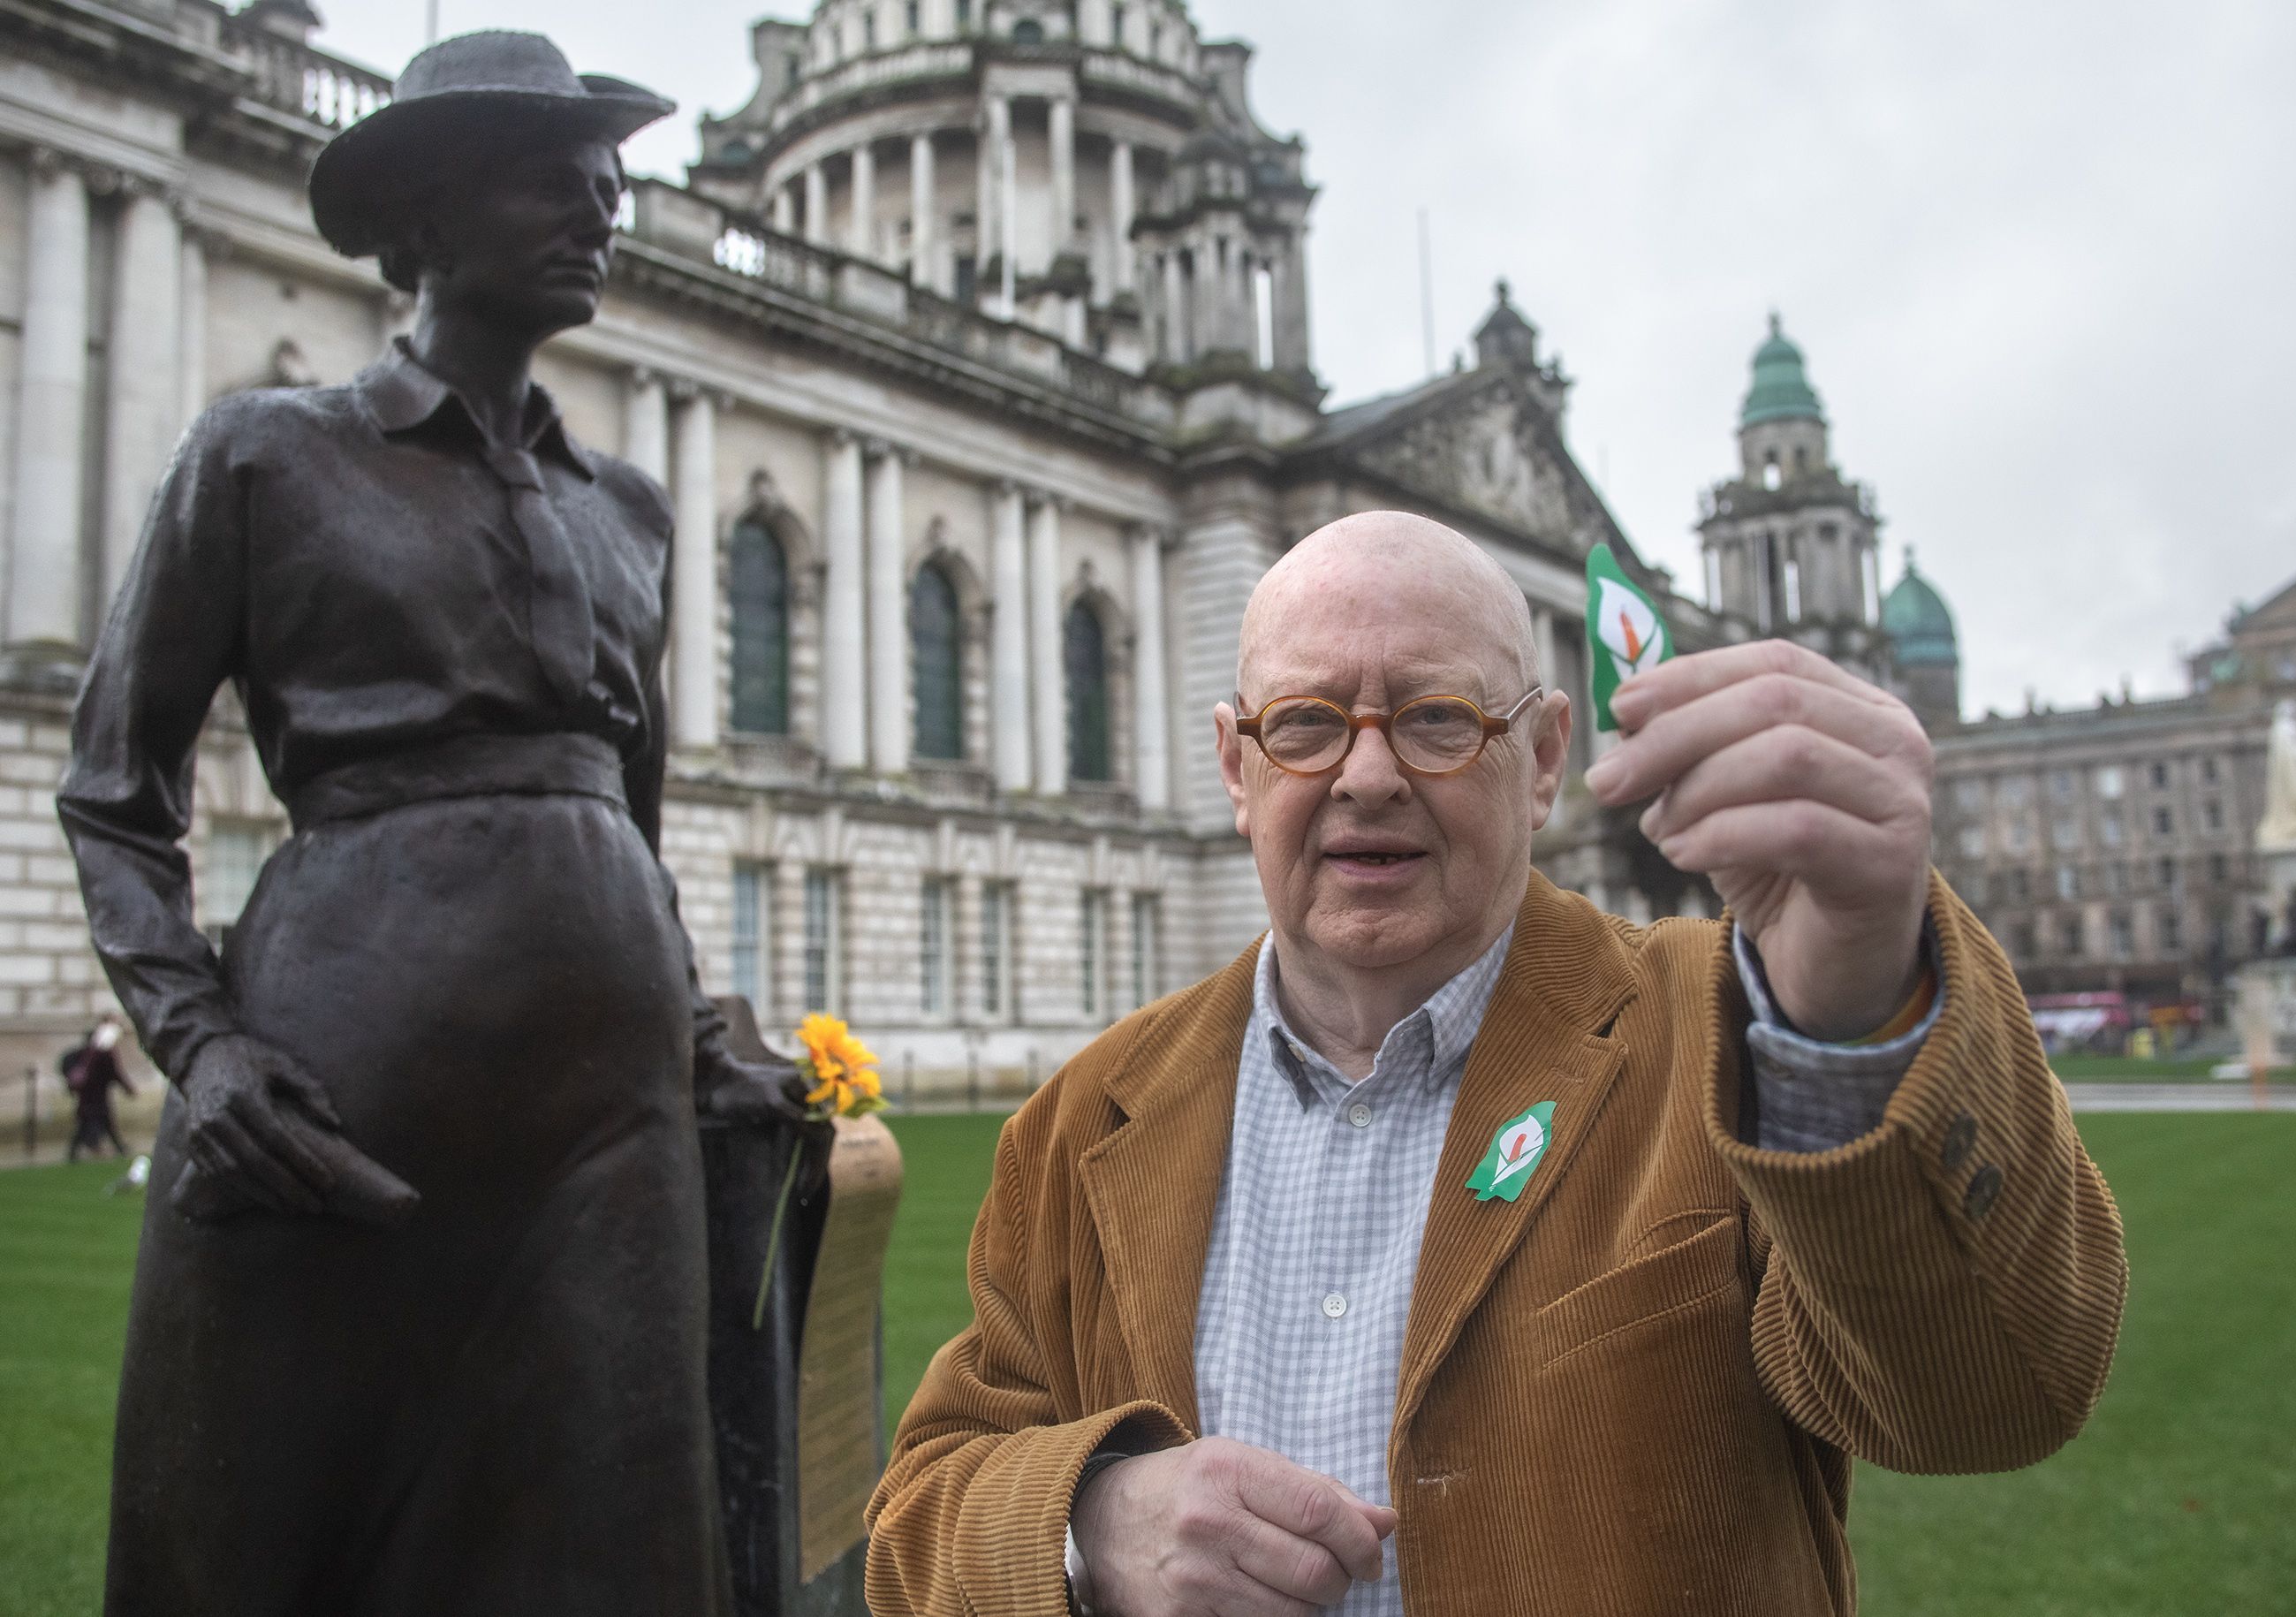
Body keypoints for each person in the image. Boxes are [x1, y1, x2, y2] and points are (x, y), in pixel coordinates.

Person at [866, 512, 2127, 1615]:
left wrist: (1850, 1012)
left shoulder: (1719, 1024)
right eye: (1306, 723)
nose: (1366, 775)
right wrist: (1087, 1525)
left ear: (1540, 759)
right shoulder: (1082, 1117)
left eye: (1436, 718)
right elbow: (920, 1512)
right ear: (1239, 768)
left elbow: (1986, 1397)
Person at [58, 33, 801, 1614]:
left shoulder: (632, 515)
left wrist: (695, 1033)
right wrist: (200, 1042)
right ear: (425, 213)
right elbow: (116, 787)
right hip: (342, 1079)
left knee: (619, 1541)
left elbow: (637, 829)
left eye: (608, 177)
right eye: (553, 173)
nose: (601, 204)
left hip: (613, 1112)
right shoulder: (260, 454)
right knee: (265, 1527)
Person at [64, 1014, 135, 1162]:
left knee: (96, 1122)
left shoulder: (86, 1055)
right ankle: (113, 1147)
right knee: (98, 1122)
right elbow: (115, 1073)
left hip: (88, 1096)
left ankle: (117, 1147)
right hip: (96, 1096)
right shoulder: (99, 1055)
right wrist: (128, 1088)